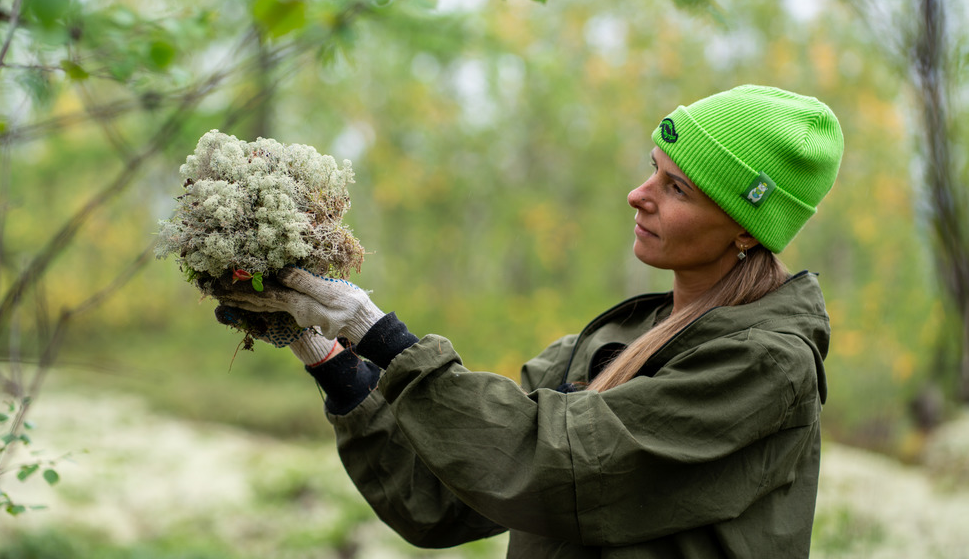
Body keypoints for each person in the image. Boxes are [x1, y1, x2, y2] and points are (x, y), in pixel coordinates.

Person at [215, 84, 844, 558]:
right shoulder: (608, 343)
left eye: (677, 188)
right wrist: (332, 358)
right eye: (652, 169)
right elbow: (437, 498)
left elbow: (556, 466)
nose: (639, 193)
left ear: (745, 226)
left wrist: (383, 337)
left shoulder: (765, 366)